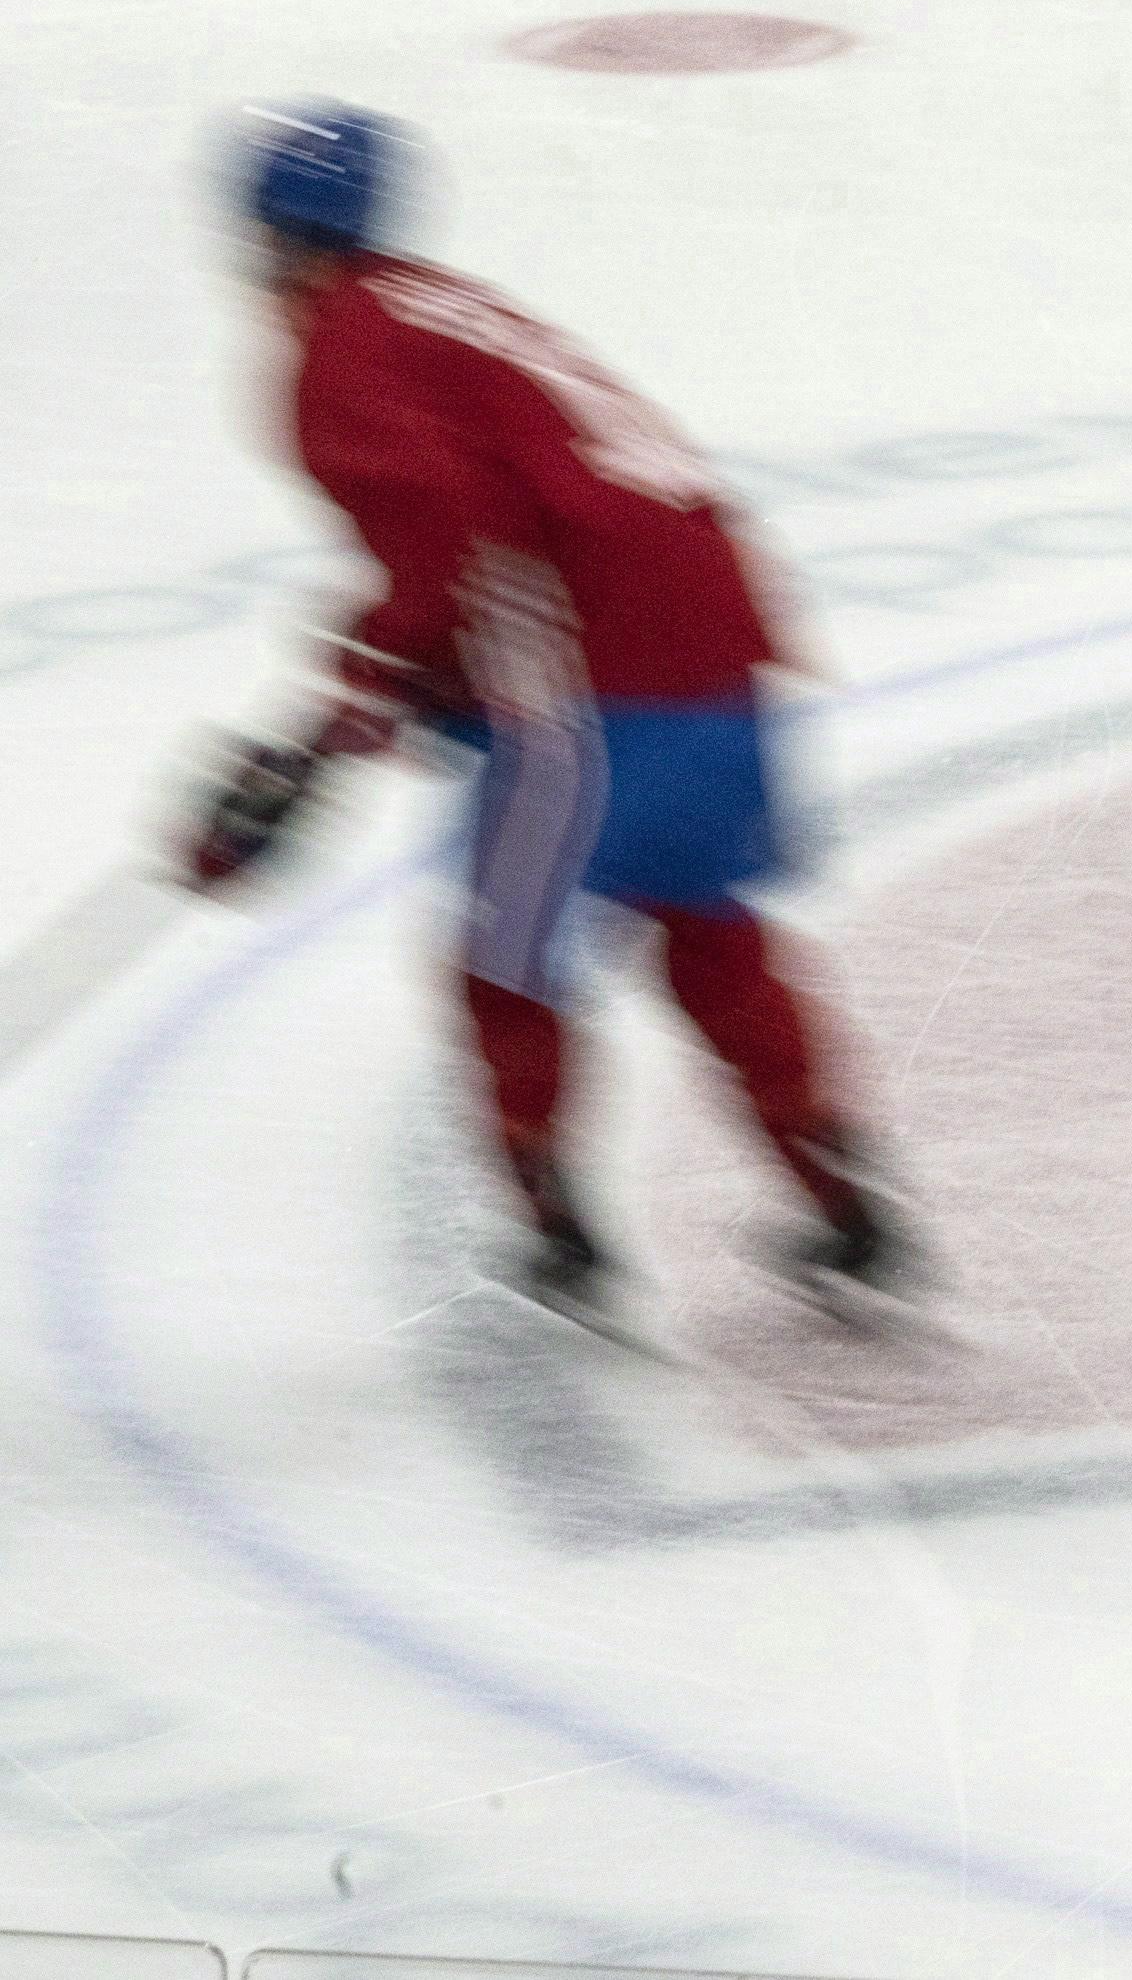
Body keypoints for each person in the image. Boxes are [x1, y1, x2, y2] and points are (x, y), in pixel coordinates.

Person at [177, 102, 905, 1329]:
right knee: (706, 928)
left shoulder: (338, 348)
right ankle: (838, 1187)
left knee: (506, 953)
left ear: (261, 234)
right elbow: (506, 516)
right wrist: (377, 672)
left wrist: (350, 707)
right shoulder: (441, 309)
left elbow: (451, 539)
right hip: (719, 647)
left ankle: (554, 1229)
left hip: (593, 688)